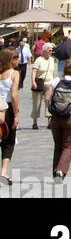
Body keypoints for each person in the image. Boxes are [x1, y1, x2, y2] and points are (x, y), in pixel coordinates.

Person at [0, 48, 20, 186]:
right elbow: (13, 95)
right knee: (8, 141)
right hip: (7, 109)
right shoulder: (14, 73)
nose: (18, 60)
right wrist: (16, 115)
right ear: (10, 60)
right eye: (16, 58)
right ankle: (4, 171)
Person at [30, 42, 56, 130]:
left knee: (48, 101)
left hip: (49, 83)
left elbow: (53, 72)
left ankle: (49, 121)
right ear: (44, 50)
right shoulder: (39, 60)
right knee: (37, 102)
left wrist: (54, 81)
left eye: (51, 50)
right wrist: (33, 82)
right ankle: (35, 122)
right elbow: (34, 71)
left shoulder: (52, 60)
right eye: (49, 50)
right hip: (39, 83)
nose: (51, 52)